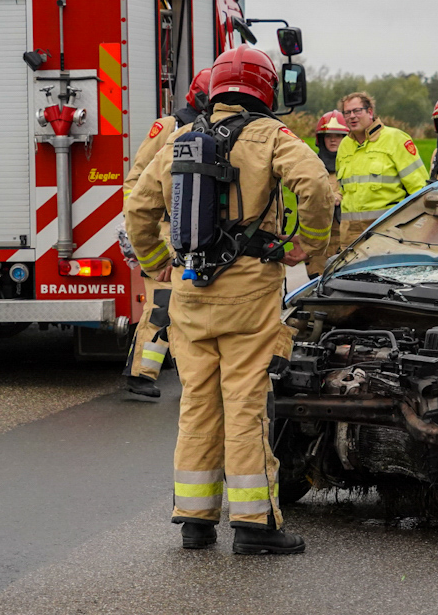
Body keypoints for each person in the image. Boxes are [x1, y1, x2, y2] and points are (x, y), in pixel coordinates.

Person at [125, 44, 332, 555]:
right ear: (265, 89)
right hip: (249, 294)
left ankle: (195, 522)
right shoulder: (272, 136)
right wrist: (308, 242)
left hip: (190, 295)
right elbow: (317, 187)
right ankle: (254, 525)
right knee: (244, 405)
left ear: (215, 87)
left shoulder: (179, 137)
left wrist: (156, 265)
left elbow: (138, 209)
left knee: (197, 402)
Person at [120, 68, 212, 398]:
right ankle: (141, 374)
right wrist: (138, 229)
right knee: (161, 304)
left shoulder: (217, 129)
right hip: (163, 233)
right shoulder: (170, 126)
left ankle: (178, 374)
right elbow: (140, 178)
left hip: (191, 232)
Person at [335, 92, 428, 247]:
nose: (352, 116)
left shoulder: (396, 139)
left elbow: (420, 190)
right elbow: (344, 190)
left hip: (386, 232)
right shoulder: (344, 146)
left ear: (370, 111)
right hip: (350, 236)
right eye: (347, 112)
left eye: (357, 111)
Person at [305, 110, 349, 278]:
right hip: (318, 244)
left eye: (338, 135)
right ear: (321, 139)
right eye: (328, 135)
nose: (332, 139)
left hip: (346, 240)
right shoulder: (311, 166)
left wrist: (338, 197)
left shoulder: (353, 165)